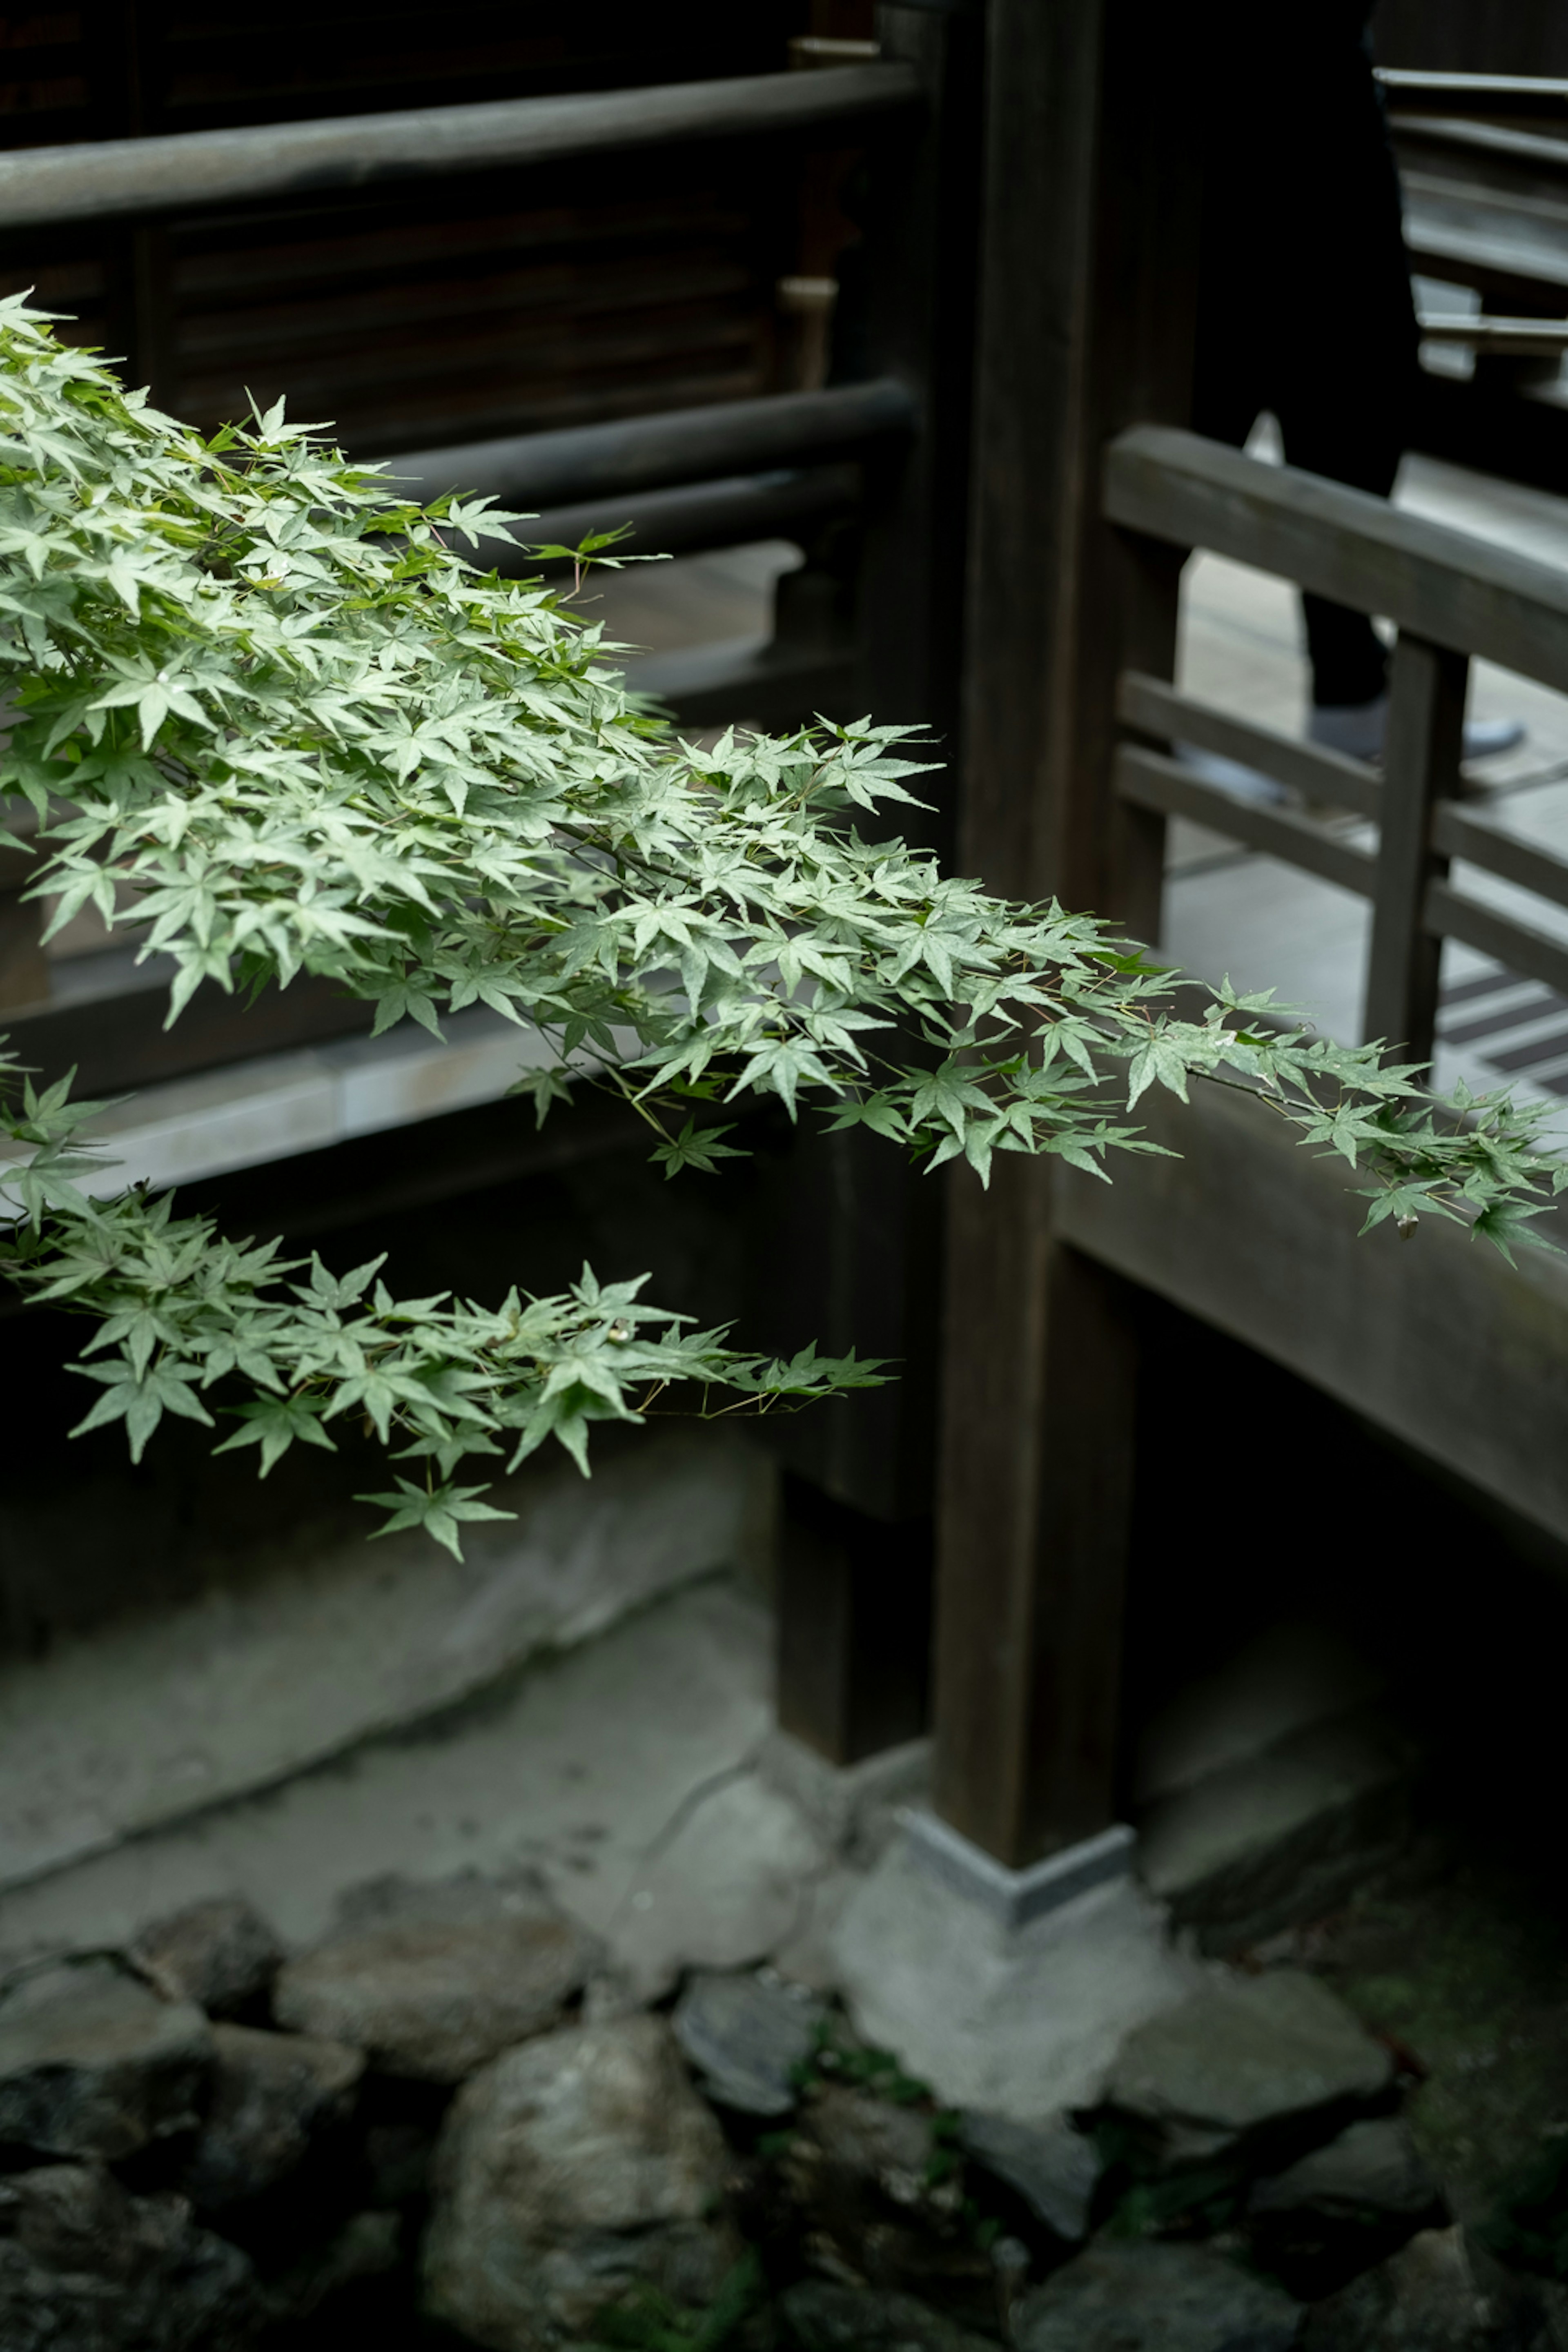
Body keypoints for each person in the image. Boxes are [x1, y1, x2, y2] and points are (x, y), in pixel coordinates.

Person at [1192, 0, 1521, 768]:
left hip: (1322, 104)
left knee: (1358, 402)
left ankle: (1352, 690)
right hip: (1217, 116)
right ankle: (1119, 683)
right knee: (1198, 409)